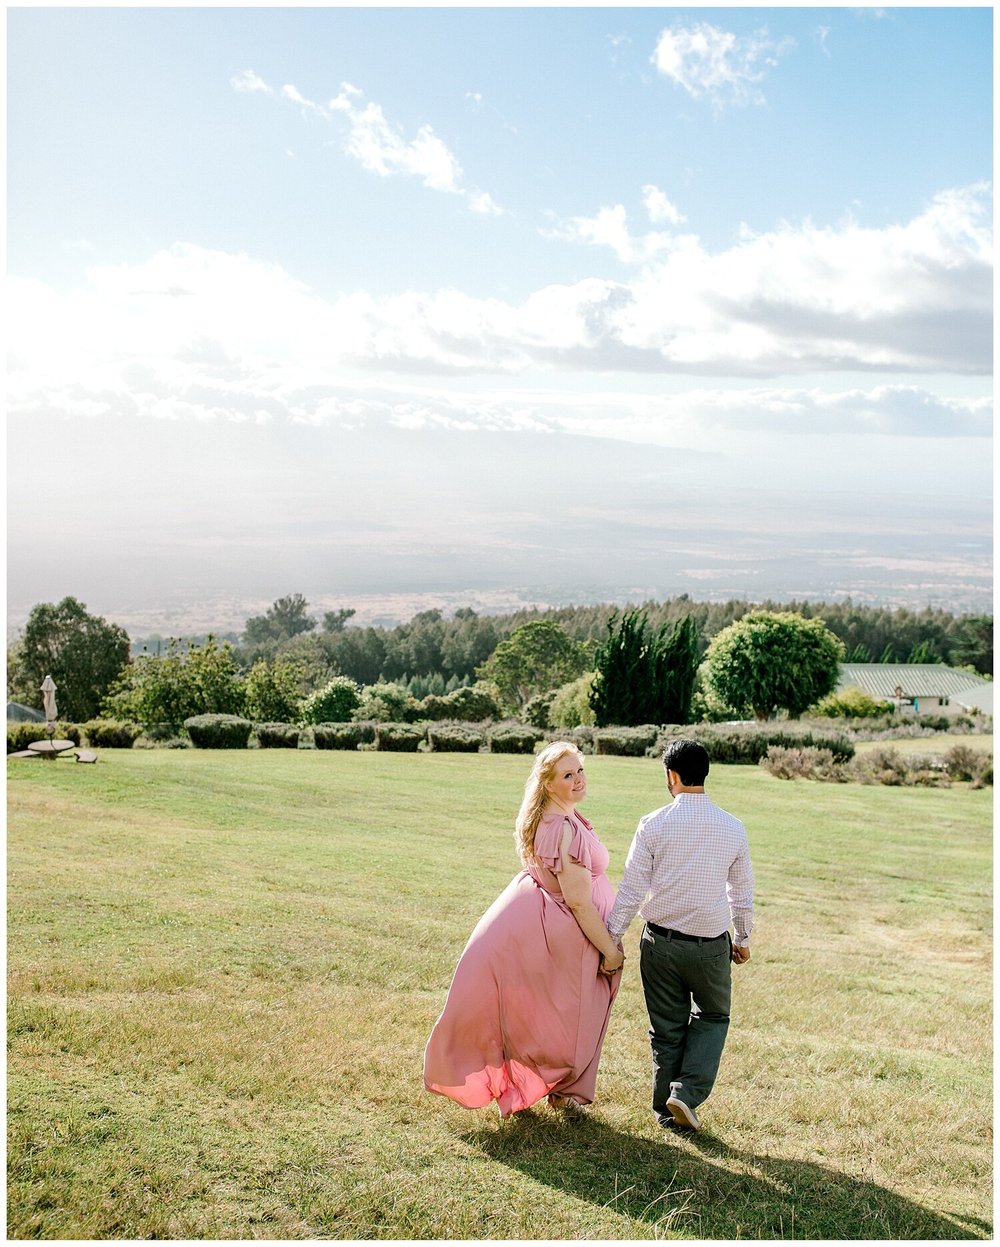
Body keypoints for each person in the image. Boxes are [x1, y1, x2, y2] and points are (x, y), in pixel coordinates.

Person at [424, 741, 624, 1117]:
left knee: (544, 1014)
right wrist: (610, 950)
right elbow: (578, 901)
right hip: (573, 937)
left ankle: (552, 1087)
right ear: (549, 784)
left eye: (580, 770)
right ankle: (560, 1089)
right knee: (571, 1019)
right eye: (568, 775)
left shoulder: (557, 817)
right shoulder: (564, 830)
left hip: (552, 928)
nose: (579, 779)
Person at [606, 738, 754, 1133]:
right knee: (713, 1016)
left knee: (667, 1028)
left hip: (659, 944)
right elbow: (741, 892)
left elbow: (632, 890)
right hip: (709, 947)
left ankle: (664, 1110)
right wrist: (742, 938)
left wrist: (612, 936)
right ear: (704, 774)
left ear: (672, 775)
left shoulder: (653, 824)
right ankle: (684, 1095)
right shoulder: (733, 827)